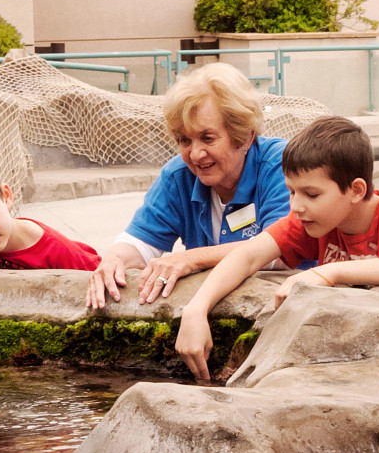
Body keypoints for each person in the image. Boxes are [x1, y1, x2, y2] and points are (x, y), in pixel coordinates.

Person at [174, 117, 379, 380]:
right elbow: (247, 256)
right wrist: (196, 309)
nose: (296, 206)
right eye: (292, 192)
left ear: (356, 190)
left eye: (311, 194)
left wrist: (330, 272)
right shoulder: (311, 221)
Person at [84, 63, 289, 308]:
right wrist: (113, 261)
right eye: (184, 141)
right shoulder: (178, 176)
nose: (195, 154)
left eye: (208, 138)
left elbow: (280, 248)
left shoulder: (281, 164)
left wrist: (192, 259)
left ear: (245, 136)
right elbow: (140, 243)